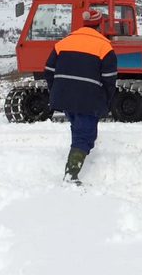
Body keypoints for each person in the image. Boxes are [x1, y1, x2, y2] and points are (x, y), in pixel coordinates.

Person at [44, 9, 117, 185]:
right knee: (84, 134)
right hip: (88, 98)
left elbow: (48, 70)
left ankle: (81, 152)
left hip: (65, 96)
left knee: (79, 128)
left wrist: (55, 91)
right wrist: (105, 101)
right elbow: (109, 80)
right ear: (100, 26)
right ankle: (71, 174)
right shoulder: (104, 46)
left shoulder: (65, 42)